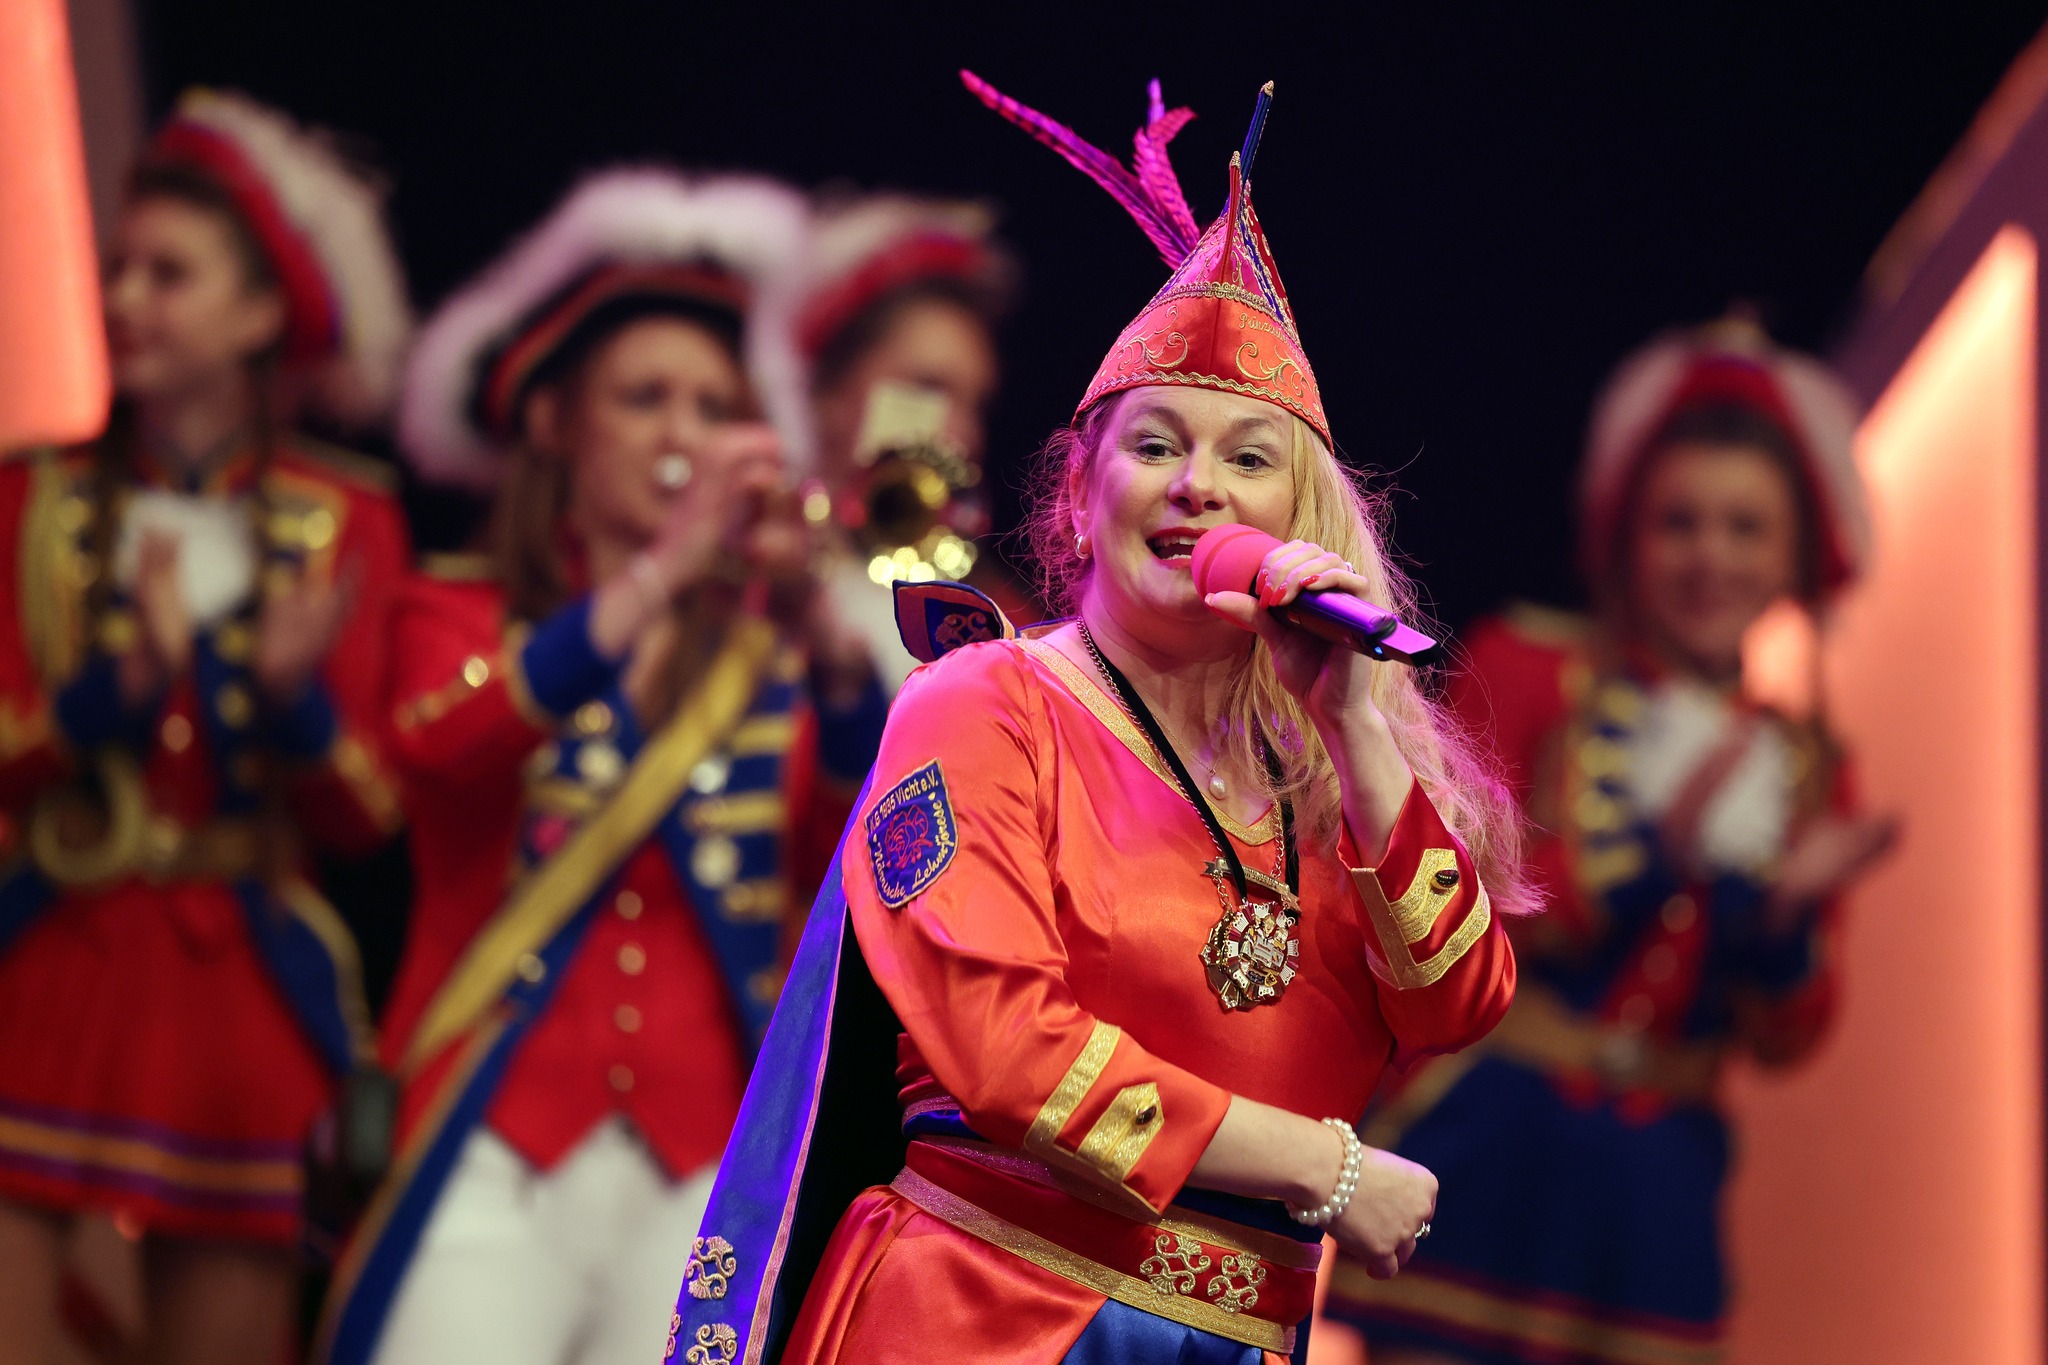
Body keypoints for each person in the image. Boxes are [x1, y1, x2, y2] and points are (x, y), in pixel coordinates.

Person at [668, 73, 1530, 1365]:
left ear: (1301, 517)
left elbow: (1456, 1004)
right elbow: (1008, 1050)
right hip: (987, 1313)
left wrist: (1357, 729)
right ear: (1079, 495)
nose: (1197, 488)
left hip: (1233, 1335)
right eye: (1155, 446)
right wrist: (1326, 1168)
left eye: (1248, 459)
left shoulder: (1324, 762)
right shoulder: (982, 703)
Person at [317, 169, 887, 1365]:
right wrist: (664, 572)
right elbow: (436, 751)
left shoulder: (766, 656)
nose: (682, 436)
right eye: (644, 398)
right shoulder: (456, 610)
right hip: (491, 1138)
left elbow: (856, 866)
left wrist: (831, 646)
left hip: (699, 1159)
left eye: (711, 406)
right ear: (550, 423)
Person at [1323, 320, 1898, 1364]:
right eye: (1679, 522)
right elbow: (1444, 908)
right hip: (1494, 1145)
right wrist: (1648, 855)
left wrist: (1780, 921)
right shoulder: (1526, 666)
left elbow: (1786, 1039)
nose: (1710, 557)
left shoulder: (1811, 765)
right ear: (1624, 533)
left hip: (1657, 1198)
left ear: (1793, 554)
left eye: (1745, 527)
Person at [0, 90, 412, 1365]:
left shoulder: (347, 519)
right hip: (46, 968)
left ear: (260, 315)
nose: (124, 299)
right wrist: (109, 694)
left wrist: (294, 701)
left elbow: (370, 816)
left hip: (239, 1002)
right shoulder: (27, 499)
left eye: (167, 275)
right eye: (119, 268)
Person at [799, 194, 1022, 689]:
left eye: (975, 405)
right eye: (928, 388)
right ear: (827, 394)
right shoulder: (746, 589)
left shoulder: (1001, 628)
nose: (963, 435)